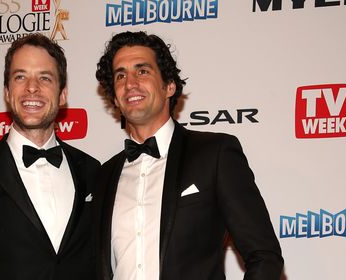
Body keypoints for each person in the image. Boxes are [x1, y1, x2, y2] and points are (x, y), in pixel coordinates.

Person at [93, 31, 284, 280]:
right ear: (115, 98)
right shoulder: (104, 175)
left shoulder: (214, 154)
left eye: (142, 71)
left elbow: (264, 255)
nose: (130, 83)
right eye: (120, 75)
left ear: (169, 86)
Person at [0, 33, 100, 280]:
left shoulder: (91, 170)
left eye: (45, 77)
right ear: (7, 92)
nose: (32, 88)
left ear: (62, 94)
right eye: (20, 77)